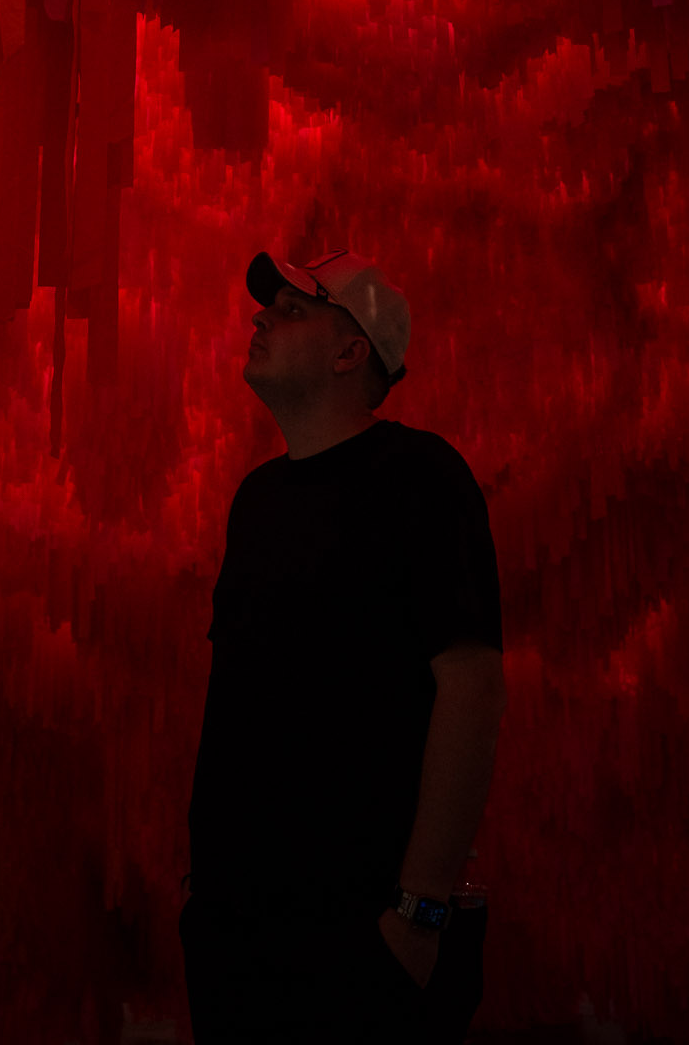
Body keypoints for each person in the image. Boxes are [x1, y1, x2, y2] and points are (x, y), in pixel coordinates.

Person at [182, 249, 506, 1044]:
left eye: (292, 310)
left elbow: (470, 681)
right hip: (237, 929)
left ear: (350, 349)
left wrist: (420, 911)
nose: (261, 318)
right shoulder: (255, 501)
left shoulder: (420, 477)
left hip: (361, 929)